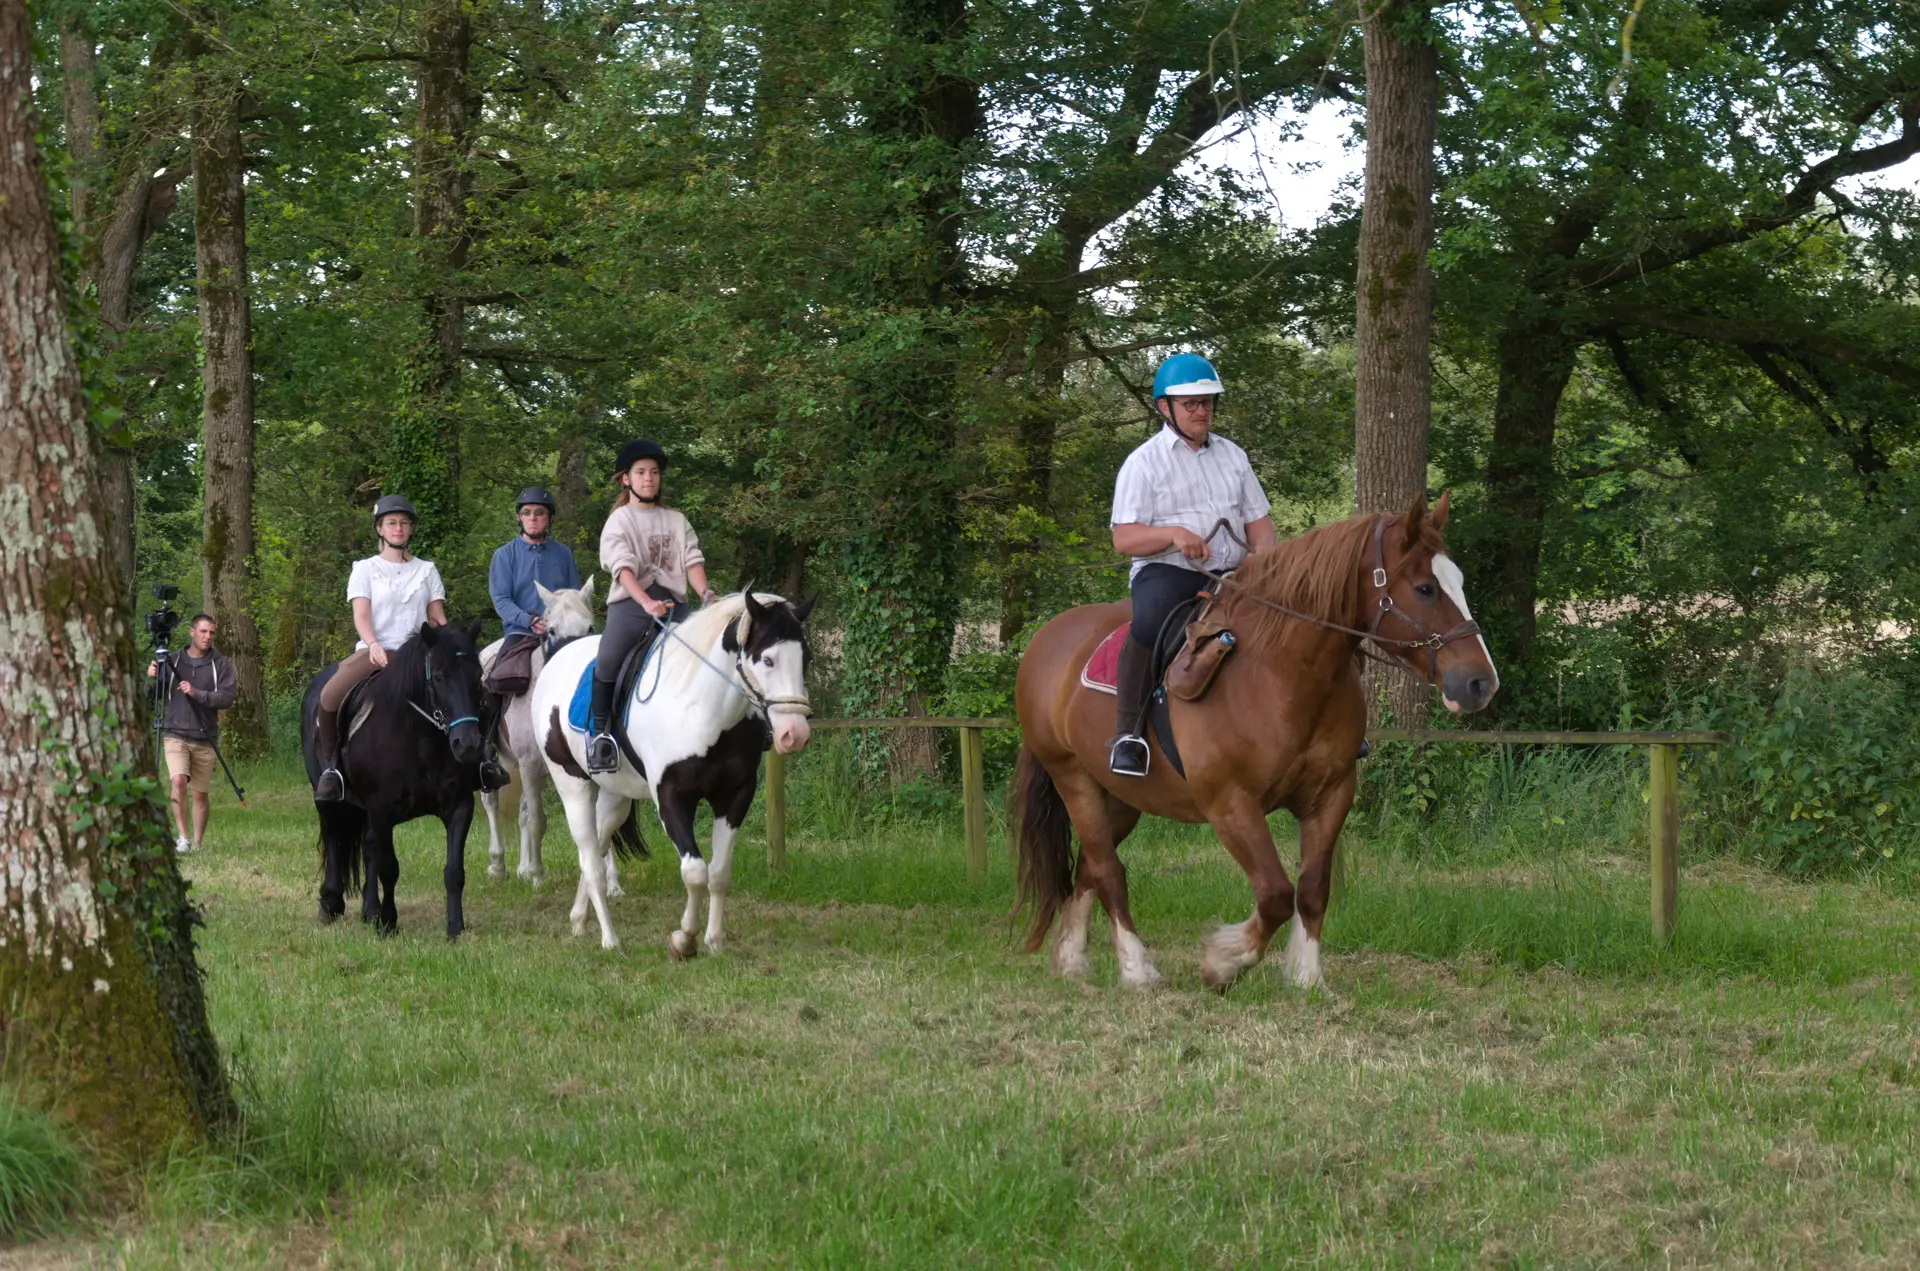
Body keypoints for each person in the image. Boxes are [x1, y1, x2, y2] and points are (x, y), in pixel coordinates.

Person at [1107, 352, 1276, 777]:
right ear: (1165, 407)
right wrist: (1173, 534)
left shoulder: (1233, 456)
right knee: (1149, 620)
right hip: (1168, 573)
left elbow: (1259, 523)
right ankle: (1128, 735)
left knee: (1289, 616)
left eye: (1208, 402)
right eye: (1191, 403)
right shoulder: (1143, 463)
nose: (1202, 411)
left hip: (1234, 575)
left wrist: (1264, 559)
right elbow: (1123, 538)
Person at [587, 438, 716, 773]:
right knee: (608, 658)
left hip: (673, 603)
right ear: (626, 479)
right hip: (631, 604)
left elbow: (692, 560)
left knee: (714, 649)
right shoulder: (620, 520)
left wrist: (704, 595)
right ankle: (600, 736)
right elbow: (622, 568)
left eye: (654, 472)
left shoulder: (676, 519)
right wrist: (645, 602)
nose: (649, 478)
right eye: (641, 472)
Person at [314, 495, 453, 802]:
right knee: (329, 695)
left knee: (465, 690)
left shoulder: (427, 570)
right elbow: (361, 615)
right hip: (375, 651)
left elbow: (437, 618)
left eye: (404, 523)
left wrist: (450, 645)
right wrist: (374, 644)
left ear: (411, 529)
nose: (398, 528)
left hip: (418, 656)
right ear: (380, 528)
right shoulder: (365, 569)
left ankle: (478, 761)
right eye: (392, 523)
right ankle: (332, 768)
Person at [145, 613, 237, 853]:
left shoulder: (220, 664)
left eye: (211, 633)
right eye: (203, 631)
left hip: (205, 736)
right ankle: (183, 838)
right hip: (175, 733)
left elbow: (227, 698)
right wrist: (152, 678)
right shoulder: (173, 660)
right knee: (177, 781)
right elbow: (152, 696)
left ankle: (197, 843)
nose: (208, 637)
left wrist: (197, 693)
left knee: (200, 794)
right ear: (192, 632)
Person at [486, 486, 581, 692]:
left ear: (550, 518)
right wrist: (529, 620)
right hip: (520, 631)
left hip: (563, 632)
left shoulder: (563, 554)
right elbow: (501, 599)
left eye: (539, 513)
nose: (533, 518)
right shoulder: (504, 555)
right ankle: (491, 723)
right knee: (497, 679)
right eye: (526, 513)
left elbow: (575, 596)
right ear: (519, 518)